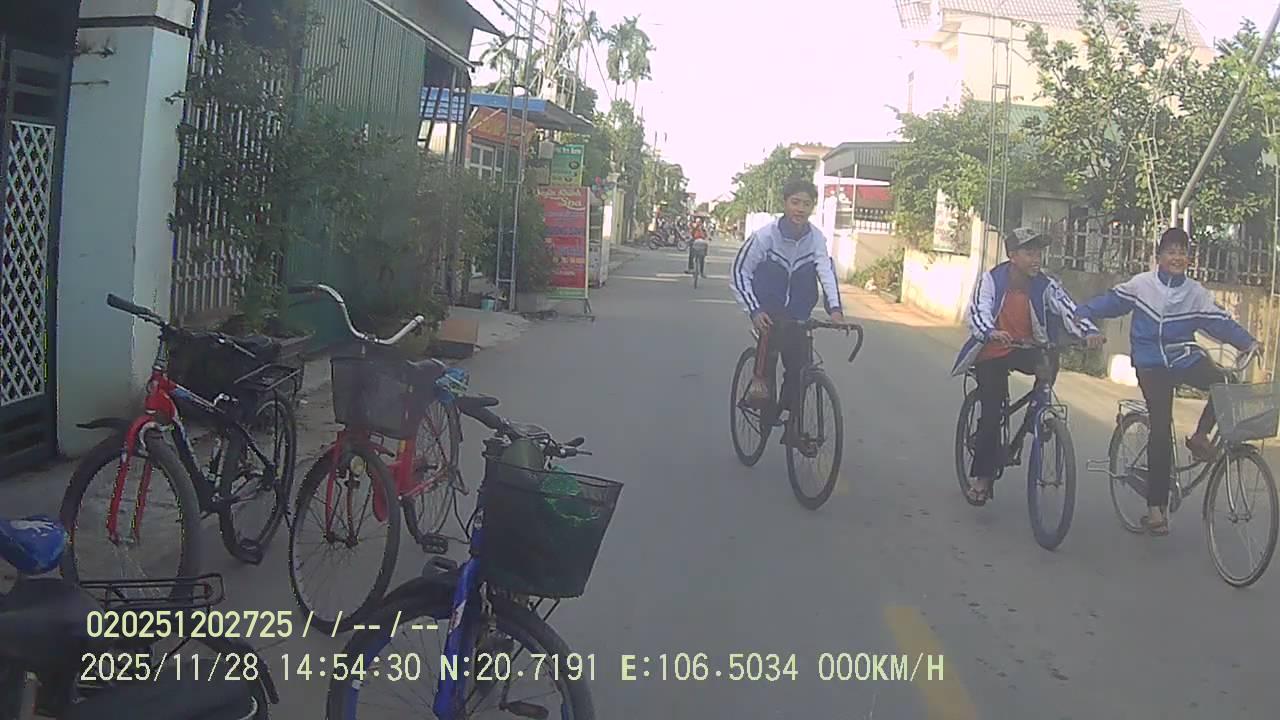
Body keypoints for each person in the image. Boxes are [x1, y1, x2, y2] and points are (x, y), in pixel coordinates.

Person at [1075, 227, 1259, 535]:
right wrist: (1080, 316)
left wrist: (1248, 342)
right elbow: (1108, 303)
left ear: (1189, 259)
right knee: (1160, 428)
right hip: (1151, 363)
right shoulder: (1142, 285)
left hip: (1184, 357)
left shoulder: (1195, 293)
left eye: (1182, 252)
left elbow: (1220, 322)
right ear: (1158, 256)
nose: (1177, 257)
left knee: (1226, 383)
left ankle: (1200, 437)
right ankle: (1155, 508)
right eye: (1171, 251)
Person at [951, 227, 1105, 505]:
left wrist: (1089, 332)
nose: (1036, 259)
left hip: (1028, 348)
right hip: (994, 350)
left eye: (1038, 254)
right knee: (992, 412)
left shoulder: (1045, 284)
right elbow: (978, 311)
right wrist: (990, 332)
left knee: (1049, 362)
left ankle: (1037, 415)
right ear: (1012, 256)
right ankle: (982, 478)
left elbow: (1069, 310)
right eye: (1029, 253)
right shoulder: (992, 280)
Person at [731, 179, 846, 445]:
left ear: (812, 208)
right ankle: (762, 400)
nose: (800, 209)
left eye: (806, 204)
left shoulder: (816, 239)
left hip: (798, 314)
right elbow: (740, 273)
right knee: (767, 378)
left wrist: (835, 310)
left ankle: (792, 425)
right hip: (768, 313)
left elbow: (826, 272)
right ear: (785, 203)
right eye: (795, 202)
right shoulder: (765, 237)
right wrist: (754, 310)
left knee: (800, 370)